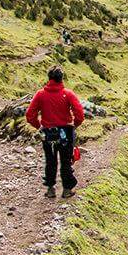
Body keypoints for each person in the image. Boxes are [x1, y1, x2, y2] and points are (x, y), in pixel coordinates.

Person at [25, 67, 85, 198]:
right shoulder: (68, 94)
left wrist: (39, 126)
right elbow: (79, 113)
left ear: (49, 78)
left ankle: (51, 189)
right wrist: (74, 125)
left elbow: (30, 115)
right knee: (66, 160)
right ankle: (67, 189)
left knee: (50, 160)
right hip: (65, 132)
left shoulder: (40, 94)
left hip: (48, 133)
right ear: (61, 78)